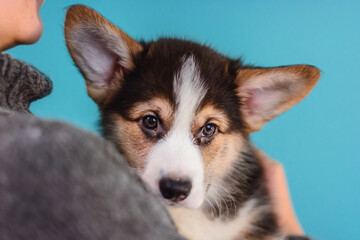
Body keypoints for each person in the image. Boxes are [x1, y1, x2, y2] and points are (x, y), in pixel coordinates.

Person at [0, 0, 308, 239]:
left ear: (252, 106)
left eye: (208, 129)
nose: (177, 175)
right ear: (110, 74)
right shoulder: (36, 158)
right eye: (150, 122)